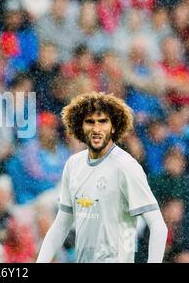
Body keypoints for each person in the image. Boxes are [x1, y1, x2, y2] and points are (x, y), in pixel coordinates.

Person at [37, 92, 168, 263]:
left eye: (103, 121)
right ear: (80, 127)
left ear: (114, 127)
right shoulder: (73, 164)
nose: (96, 129)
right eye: (90, 122)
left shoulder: (126, 166)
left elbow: (158, 226)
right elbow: (61, 225)